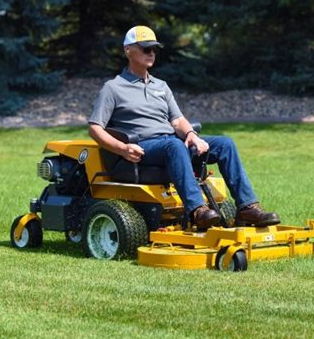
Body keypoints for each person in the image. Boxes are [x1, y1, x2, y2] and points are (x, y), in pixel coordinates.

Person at [88, 25, 280, 229]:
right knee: (174, 145)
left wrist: (191, 134)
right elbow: (95, 128)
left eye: (154, 49)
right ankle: (198, 210)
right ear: (128, 50)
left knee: (225, 144)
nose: (151, 53)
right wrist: (123, 149)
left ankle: (247, 208)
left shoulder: (160, 86)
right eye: (145, 48)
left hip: (171, 143)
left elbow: (177, 120)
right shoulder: (113, 88)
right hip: (144, 147)